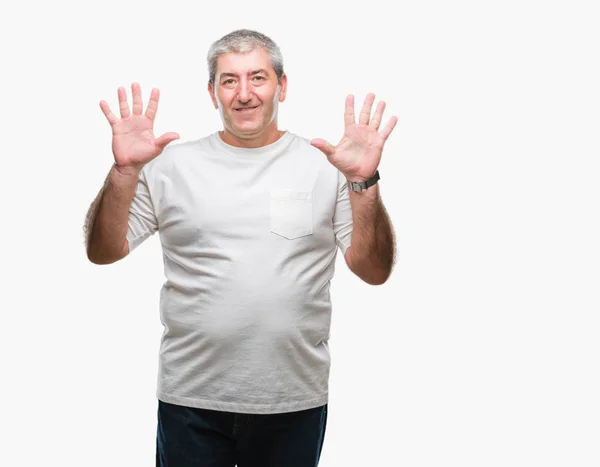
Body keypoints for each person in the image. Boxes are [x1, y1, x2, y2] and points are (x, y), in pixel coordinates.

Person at [84, 29, 397, 467]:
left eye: (258, 78)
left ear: (282, 86)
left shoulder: (326, 166)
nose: (244, 93)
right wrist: (123, 172)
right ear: (212, 93)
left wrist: (363, 183)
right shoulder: (169, 165)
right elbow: (102, 250)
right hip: (191, 398)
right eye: (229, 80)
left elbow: (374, 270)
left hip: (293, 400)